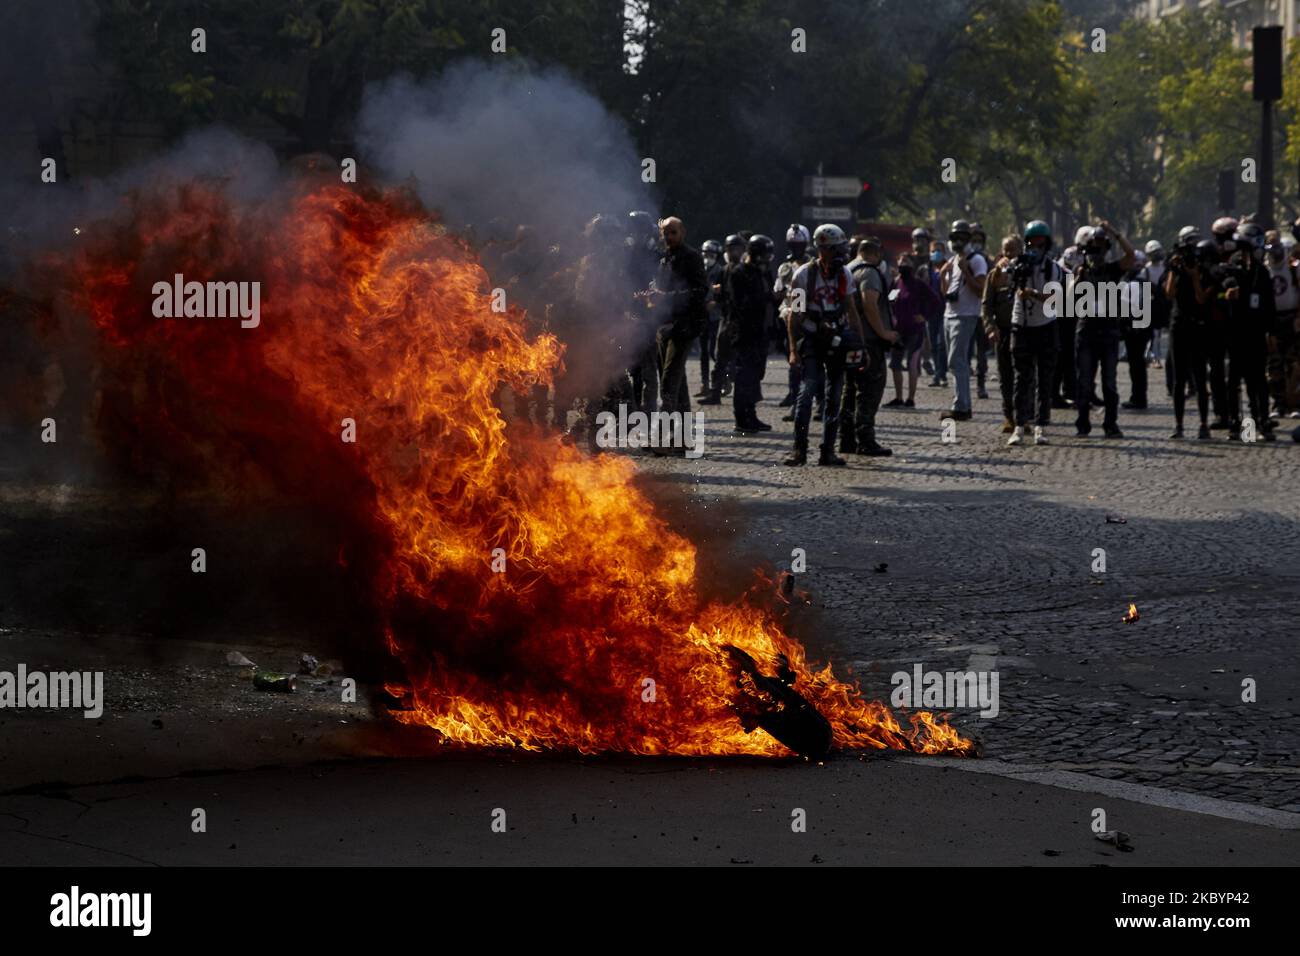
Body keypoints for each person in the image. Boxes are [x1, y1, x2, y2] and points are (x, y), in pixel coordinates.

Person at [784, 224, 868, 467]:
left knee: (834, 396)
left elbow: (852, 311)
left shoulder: (845, 275)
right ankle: (799, 450)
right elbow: (794, 315)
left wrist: (860, 346)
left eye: (843, 249)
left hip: (838, 341)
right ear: (823, 249)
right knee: (807, 393)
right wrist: (792, 349)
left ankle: (827, 451)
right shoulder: (803, 275)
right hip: (812, 340)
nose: (841, 254)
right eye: (836, 249)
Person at [649, 216, 708, 452]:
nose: (669, 237)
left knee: (668, 383)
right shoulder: (664, 258)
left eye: (673, 232)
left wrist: (669, 297)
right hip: (664, 325)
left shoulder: (691, 257)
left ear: (682, 232)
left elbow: (700, 290)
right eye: (665, 233)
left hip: (684, 326)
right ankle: (683, 438)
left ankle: (662, 438)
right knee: (678, 384)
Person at [1073, 221, 1134, 438]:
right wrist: (1079, 276)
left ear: (1107, 249)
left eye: (1101, 247)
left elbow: (1131, 256)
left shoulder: (1112, 269)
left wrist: (1116, 233)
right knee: (1084, 382)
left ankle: (1111, 423)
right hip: (1087, 330)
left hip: (1108, 331)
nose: (1096, 252)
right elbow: (1068, 298)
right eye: (1092, 247)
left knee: (1110, 382)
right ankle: (1082, 422)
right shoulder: (1079, 271)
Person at [841, 237, 899, 455]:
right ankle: (865, 439)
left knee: (849, 390)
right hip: (869, 342)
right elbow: (869, 304)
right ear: (876, 253)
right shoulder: (869, 272)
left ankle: (846, 439)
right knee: (870, 390)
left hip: (849, 340)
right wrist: (884, 332)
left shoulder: (847, 269)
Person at [1007, 221, 1062, 446]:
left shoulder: (1053, 268)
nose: (1035, 248)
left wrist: (1032, 294)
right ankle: (1019, 425)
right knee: (1022, 378)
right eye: (1032, 243)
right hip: (1021, 325)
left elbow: (1054, 298)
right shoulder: (1016, 264)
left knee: (1045, 379)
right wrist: (1010, 269)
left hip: (1046, 325)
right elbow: (1004, 282)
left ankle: (1041, 426)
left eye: (1040, 243)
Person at [1224, 222, 1276, 441]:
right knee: (1234, 381)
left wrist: (1271, 332)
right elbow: (1222, 289)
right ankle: (1236, 422)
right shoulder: (1232, 267)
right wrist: (1227, 294)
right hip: (1236, 333)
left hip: (1256, 333)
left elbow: (1269, 303)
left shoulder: (1261, 271)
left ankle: (1262, 420)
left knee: (1258, 382)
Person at [1162, 232, 1213, 439]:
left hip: (1198, 326)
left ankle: (1203, 424)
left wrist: (1194, 277)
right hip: (1178, 325)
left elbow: (1201, 298)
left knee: (1200, 378)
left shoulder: (1205, 271)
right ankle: (1179, 425)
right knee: (1178, 379)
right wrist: (1174, 270)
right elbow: (1169, 294)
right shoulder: (1177, 268)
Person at [726, 234, 777, 435]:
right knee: (743, 376)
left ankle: (751, 414)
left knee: (756, 375)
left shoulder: (762, 273)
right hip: (744, 332)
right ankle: (742, 418)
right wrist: (766, 297)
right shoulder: (739, 273)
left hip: (760, 332)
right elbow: (740, 304)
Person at [937, 219, 987, 420]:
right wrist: (943, 276)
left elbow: (981, 290)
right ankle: (961, 403)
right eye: (954, 237)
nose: (957, 241)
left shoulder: (976, 260)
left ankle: (962, 407)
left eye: (962, 237)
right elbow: (947, 292)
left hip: (966, 315)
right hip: (949, 314)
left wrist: (966, 270)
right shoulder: (953, 260)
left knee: (958, 361)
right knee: (953, 362)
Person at [982, 233, 1024, 432]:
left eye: (1012, 249)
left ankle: (1024, 416)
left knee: (1024, 375)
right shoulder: (994, 275)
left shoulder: (1027, 272)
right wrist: (990, 327)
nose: (1008, 254)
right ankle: (1009, 416)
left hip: (1024, 331)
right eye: (1005, 249)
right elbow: (986, 305)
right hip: (1003, 331)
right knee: (1005, 375)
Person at [887, 250, 940, 409]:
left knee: (912, 364)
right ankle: (898, 397)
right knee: (895, 364)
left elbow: (935, 301)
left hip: (915, 330)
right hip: (898, 331)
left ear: (912, 265)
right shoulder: (896, 282)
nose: (903, 265)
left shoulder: (918, 284)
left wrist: (924, 315)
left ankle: (910, 399)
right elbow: (889, 301)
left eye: (907, 262)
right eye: (901, 262)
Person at [773, 224, 815, 415]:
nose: (796, 249)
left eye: (799, 245)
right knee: (793, 360)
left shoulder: (812, 267)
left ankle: (811, 400)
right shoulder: (785, 268)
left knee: (811, 362)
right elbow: (778, 293)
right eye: (793, 245)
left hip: (807, 318)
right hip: (788, 318)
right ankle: (794, 396)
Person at [1265, 228, 1299, 418]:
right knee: (1274, 364)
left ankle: (1293, 403)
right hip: (1273, 321)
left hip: (1291, 318)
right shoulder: (1263, 269)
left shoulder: (1293, 267)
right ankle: (1277, 402)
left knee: (1293, 363)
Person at [697, 239, 726, 403]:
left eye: (711, 254)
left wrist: (715, 301)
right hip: (702, 315)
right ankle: (704, 383)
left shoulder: (721, 271)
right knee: (703, 352)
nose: (708, 257)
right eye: (705, 254)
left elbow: (724, 293)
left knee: (714, 351)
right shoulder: (700, 270)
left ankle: (723, 380)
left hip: (715, 316)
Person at [968, 222, 992, 399]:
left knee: (981, 351)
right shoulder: (965, 259)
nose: (976, 242)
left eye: (979, 239)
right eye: (973, 239)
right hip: (966, 311)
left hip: (982, 312)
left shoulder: (987, 260)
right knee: (964, 351)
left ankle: (981, 383)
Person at [925, 238, 949, 386]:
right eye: (933, 251)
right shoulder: (926, 269)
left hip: (945, 310)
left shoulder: (949, 267)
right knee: (933, 344)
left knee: (942, 344)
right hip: (930, 312)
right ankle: (938, 372)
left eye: (939, 250)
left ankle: (940, 374)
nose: (936, 254)